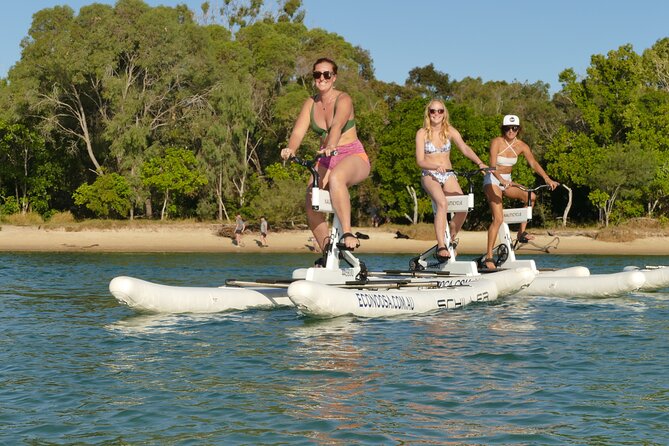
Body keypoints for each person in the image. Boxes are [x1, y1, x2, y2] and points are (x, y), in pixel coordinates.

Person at [280, 57, 370, 252]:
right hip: (326, 157)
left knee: (337, 178)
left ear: (334, 77)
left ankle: (347, 232)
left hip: (352, 155)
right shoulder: (310, 103)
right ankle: (326, 249)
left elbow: (336, 126)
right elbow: (297, 132)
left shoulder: (343, 99)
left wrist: (330, 144)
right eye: (317, 74)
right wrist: (291, 149)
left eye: (326, 74)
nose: (321, 78)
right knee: (311, 195)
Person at [482, 114, 559, 269]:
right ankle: (489, 256)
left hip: (507, 181)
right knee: (498, 218)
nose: (511, 131)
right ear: (503, 129)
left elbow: (533, 163)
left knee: (531, 196)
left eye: (514, 128)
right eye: (507, 128)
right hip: (492, 179)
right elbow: (491, 166)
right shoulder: (497, 142)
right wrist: (501, 180)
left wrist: (547, 178)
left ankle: (521, 233)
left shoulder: (522, 146)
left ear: (518, 129)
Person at [415, 99, 487, 262]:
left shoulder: (450, 131)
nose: (436, 114)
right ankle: (441, 245)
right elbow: (420, 161)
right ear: (428, 113)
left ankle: (451, 239)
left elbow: (465, 148)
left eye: (440, 111)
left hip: (448, 174)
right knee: (442, 204)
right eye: (433, 111)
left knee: (464, 206)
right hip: (429, 174)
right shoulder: (422, 133)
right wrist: (434, 166)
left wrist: (480, 163)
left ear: (444, 113)